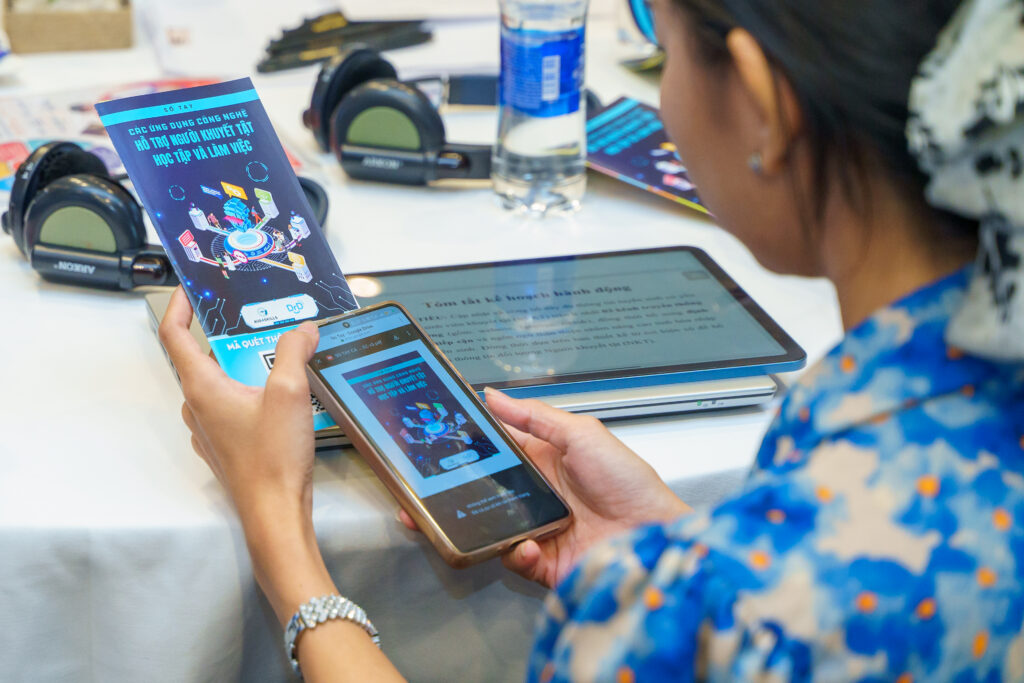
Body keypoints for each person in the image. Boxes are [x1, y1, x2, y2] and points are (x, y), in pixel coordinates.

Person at [159, 0, 1024, 679]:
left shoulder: (701, 613)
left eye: (670, 53)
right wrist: (676, 535)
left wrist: (278, 528)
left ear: (764, 108)